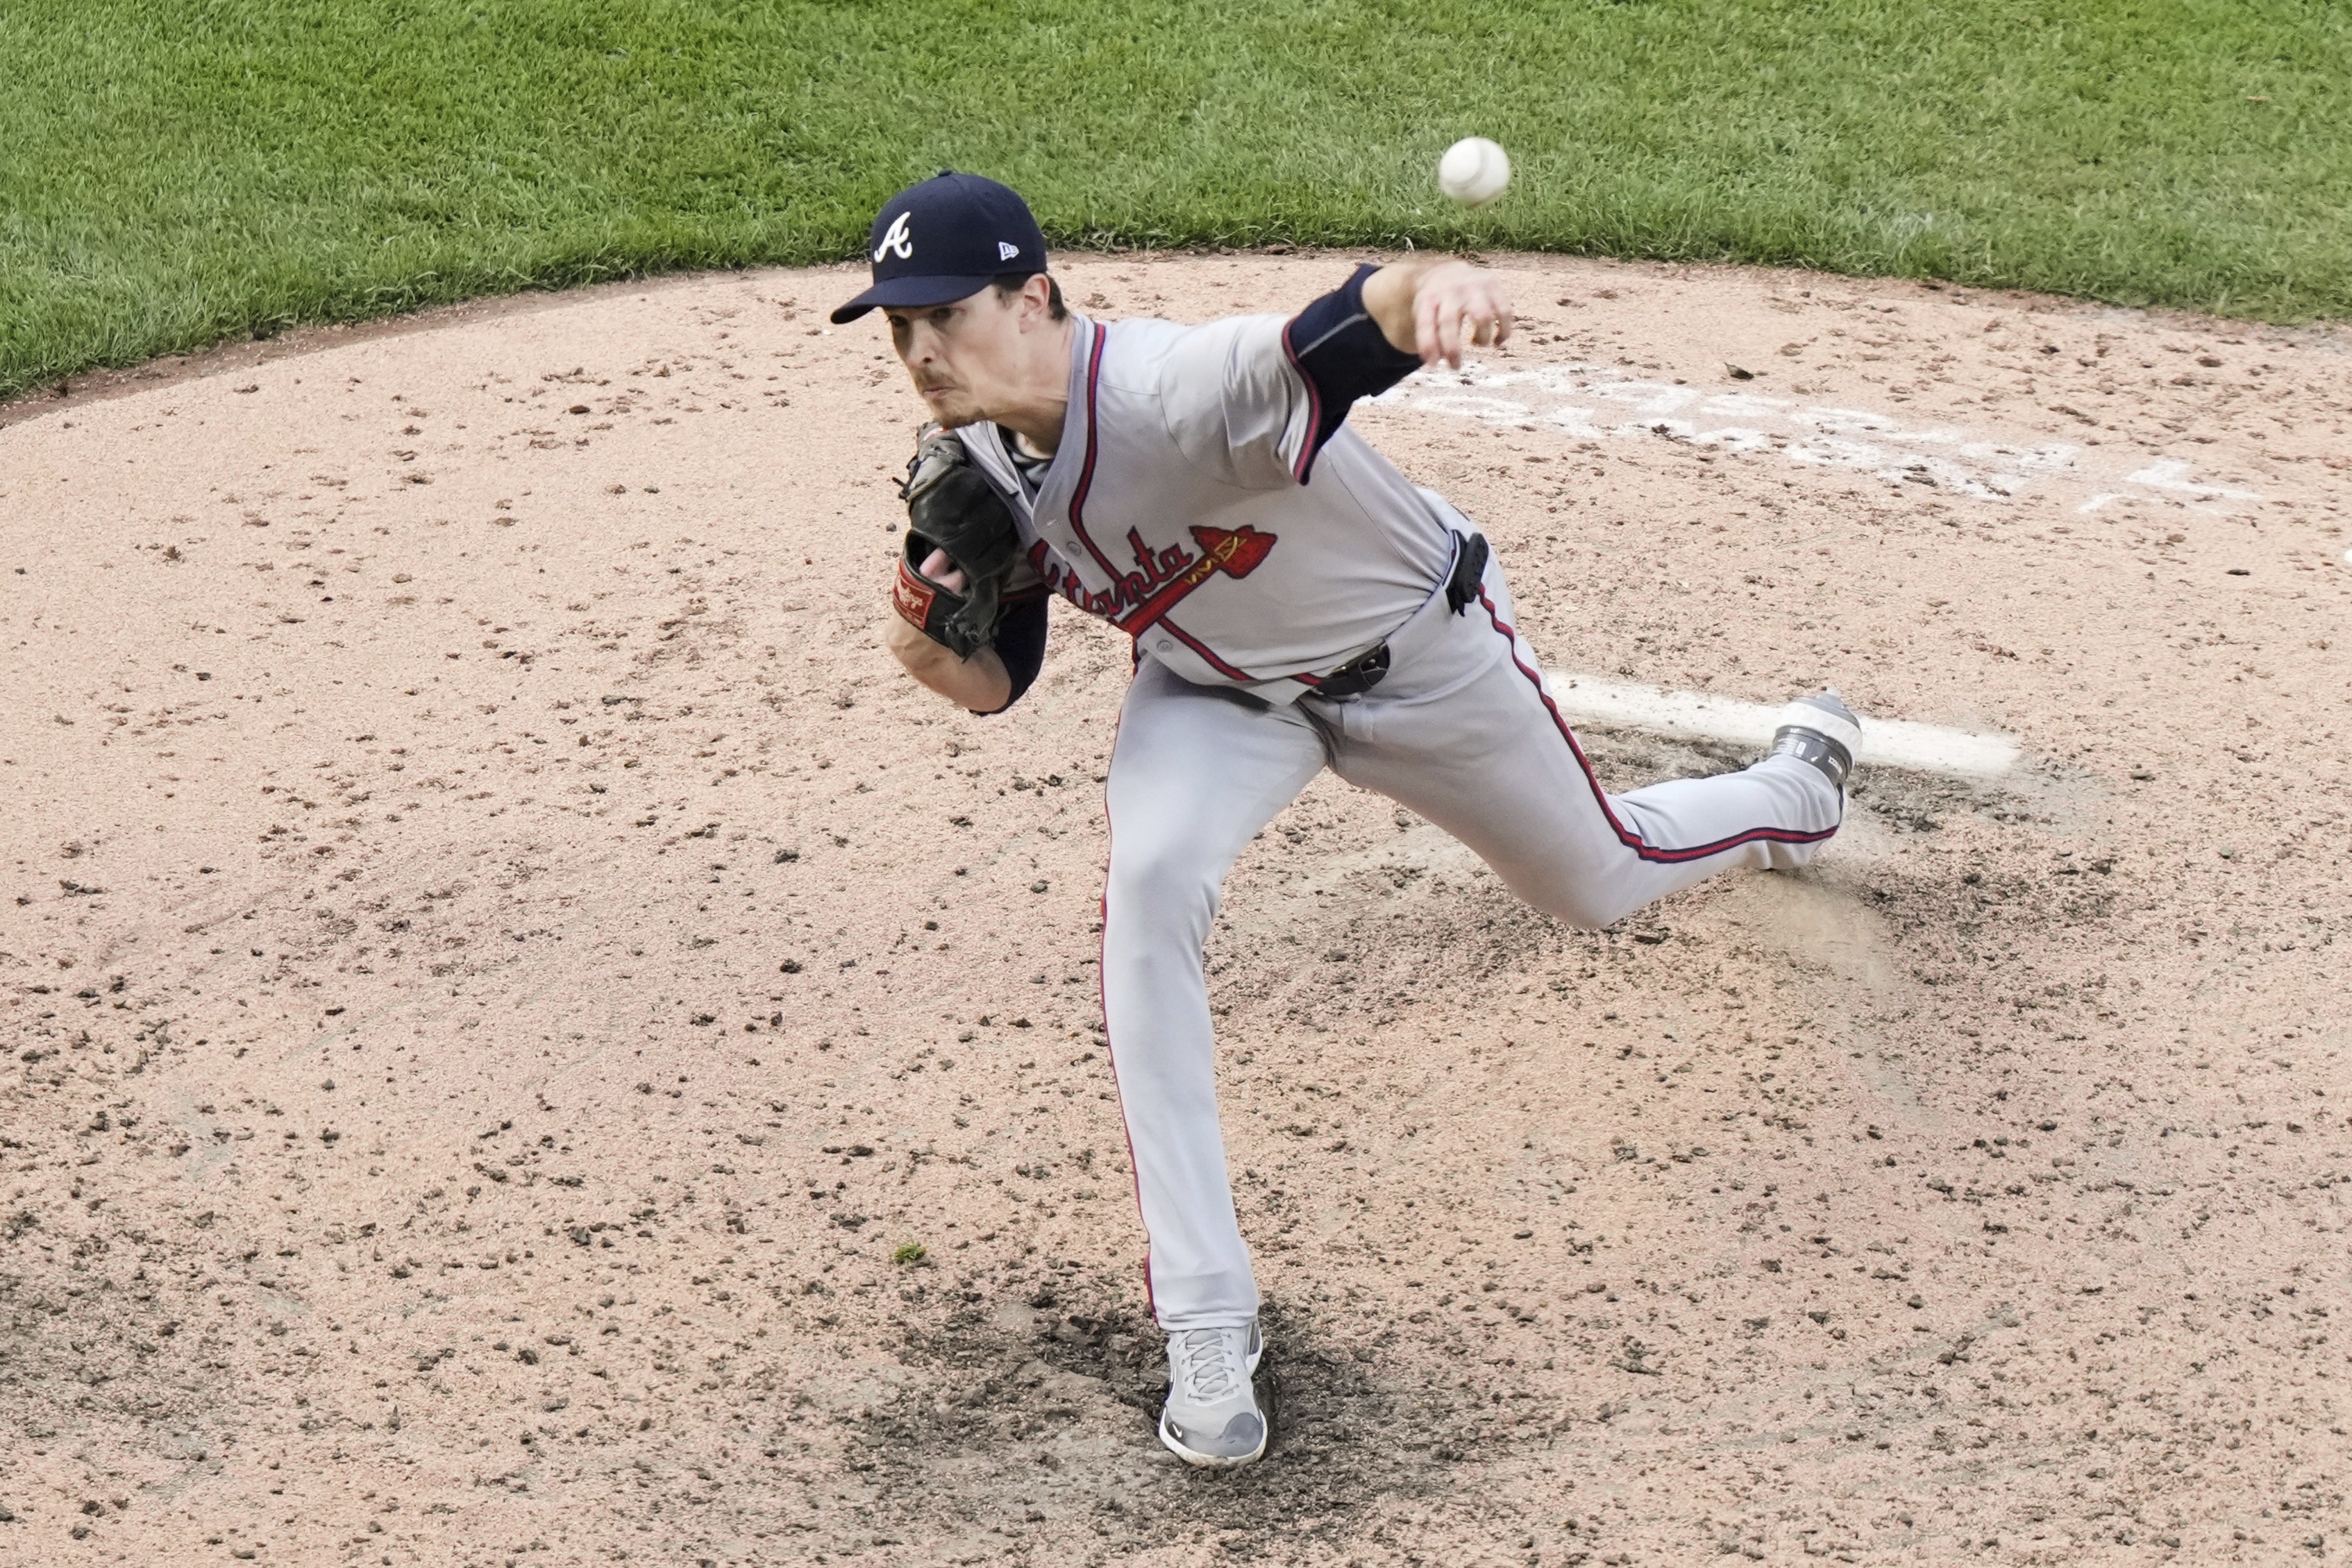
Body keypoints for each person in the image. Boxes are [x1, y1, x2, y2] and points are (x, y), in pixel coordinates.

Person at [834, 172, 1862, 1468]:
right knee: (1150, 887)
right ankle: (1207, 1317)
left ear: (1036, 295)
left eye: (947, 312)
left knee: (1599, 877)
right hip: (1219, 697)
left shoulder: (1174, 388)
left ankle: (1792, 794)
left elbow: (1344, 328)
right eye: (896, 324)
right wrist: (922, 637)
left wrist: (1433, 289)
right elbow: (995, 682)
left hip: (1421, 666)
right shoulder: (980, 463)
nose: (922, 348)